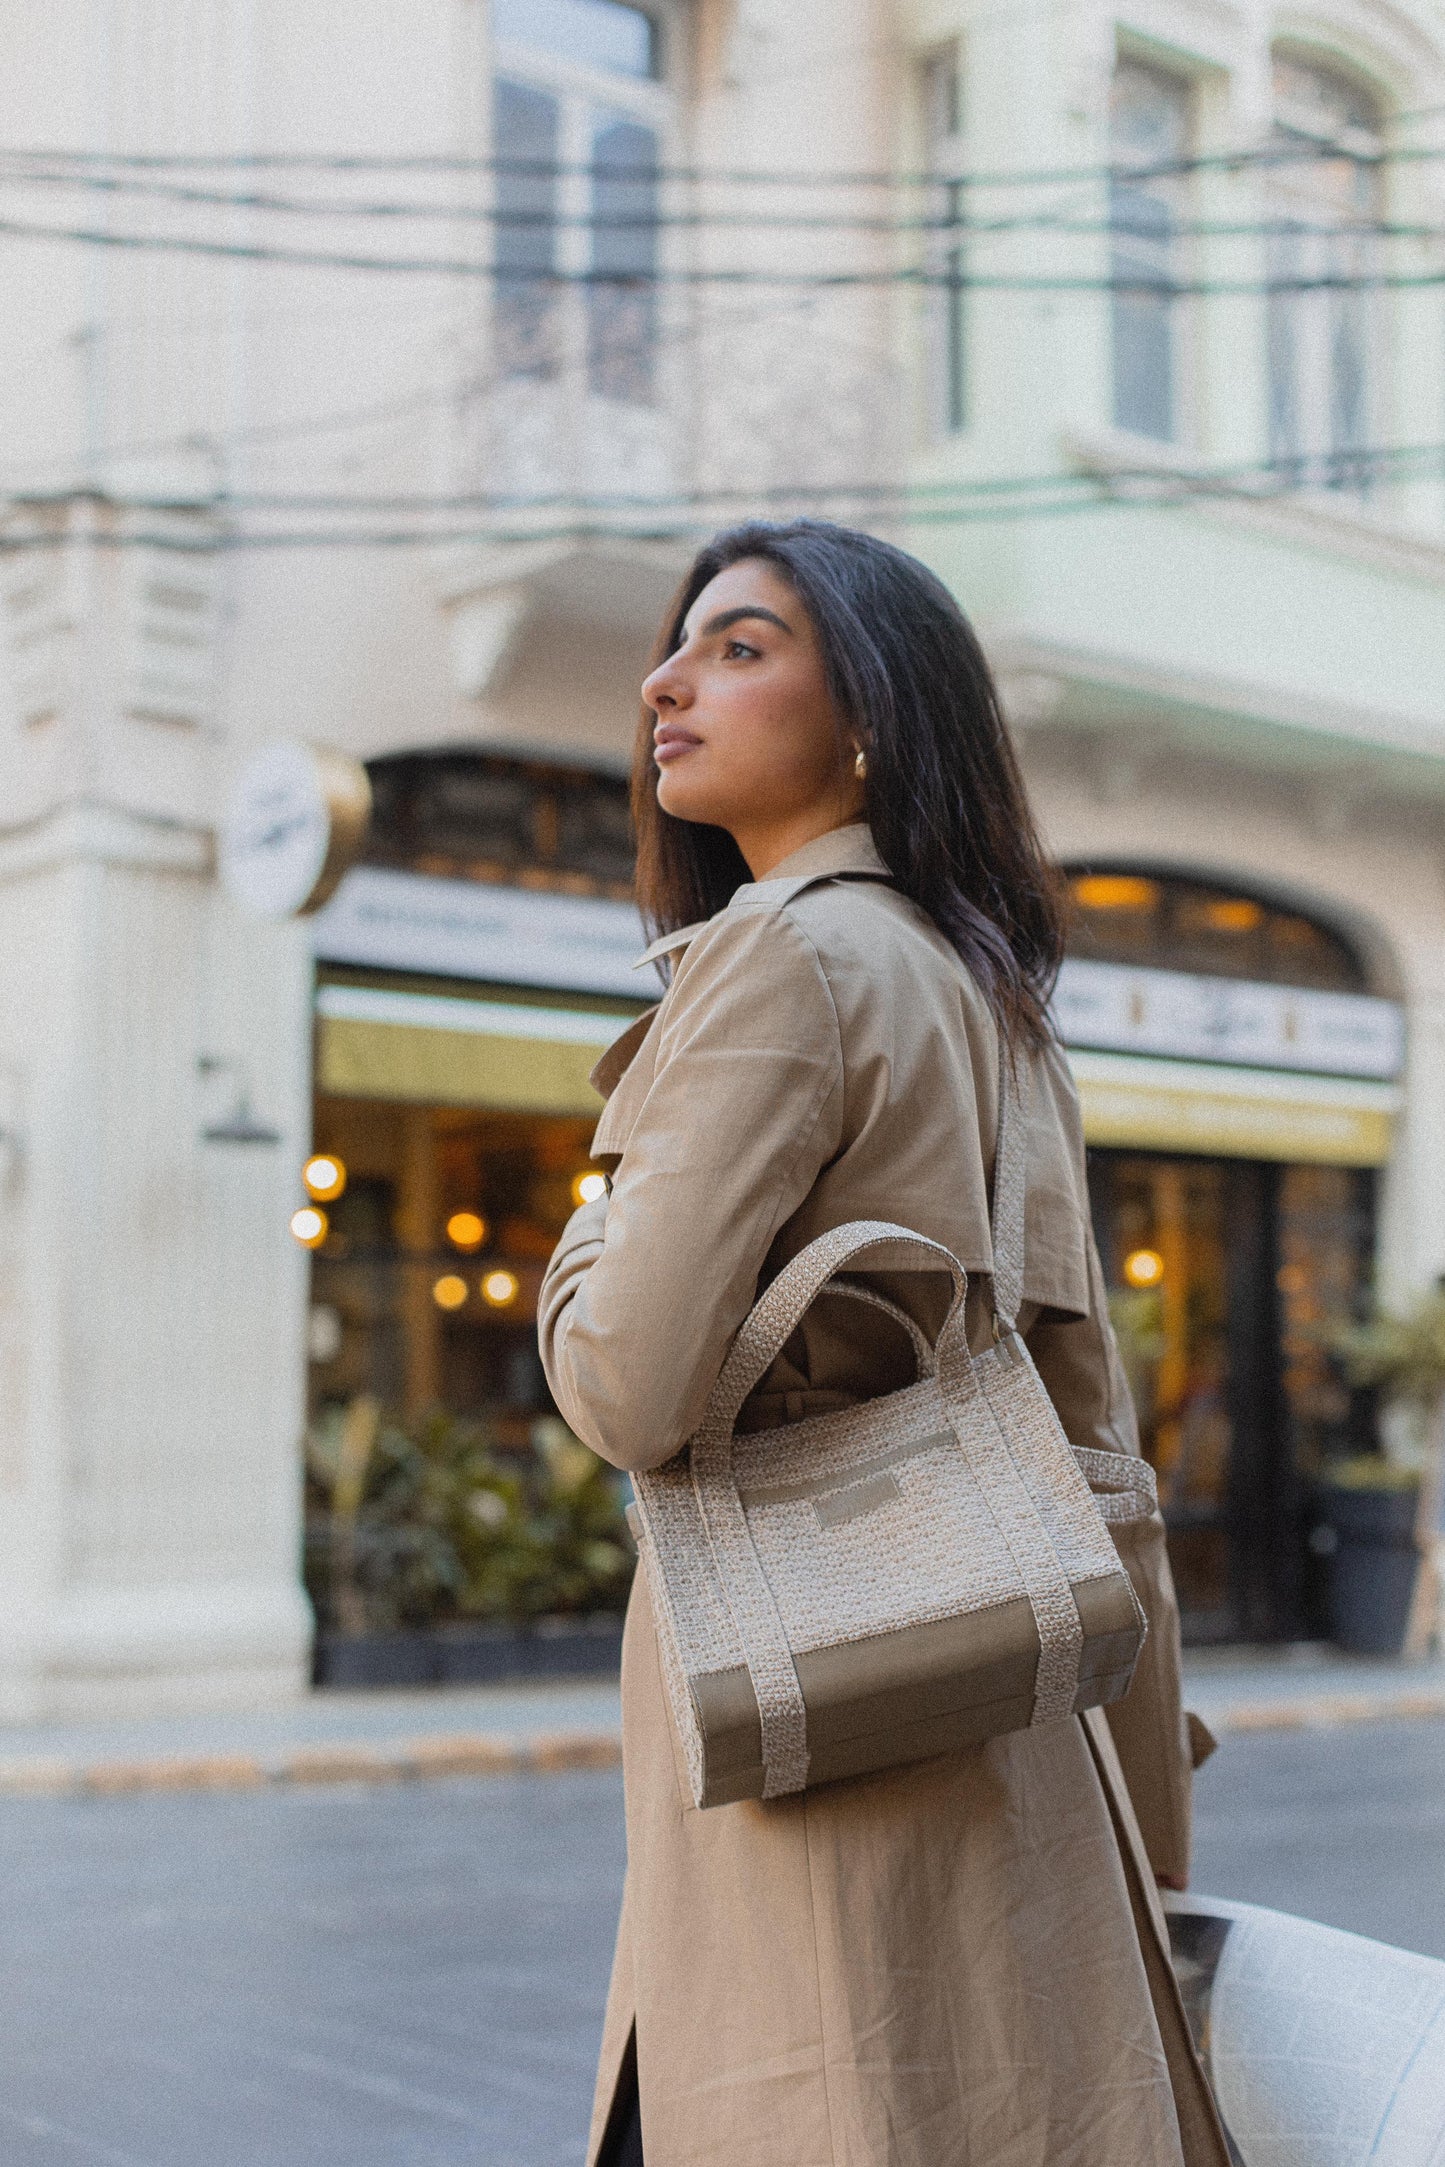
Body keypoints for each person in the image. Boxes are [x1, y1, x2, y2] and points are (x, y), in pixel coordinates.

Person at [538, 520, 1227, 2167]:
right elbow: (1093, 1440)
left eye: (739, 645)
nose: (663, 681)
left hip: (810, 1724)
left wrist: (585, 1227)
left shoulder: (778, 954)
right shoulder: (994, 1004)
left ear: (869, 722)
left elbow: (626, 1386)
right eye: (679, 646)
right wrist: (1150, 1804)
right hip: (1010, 1722)